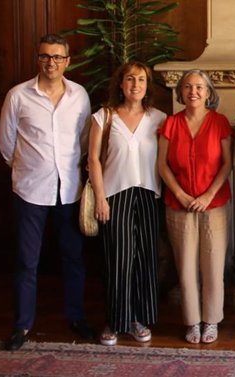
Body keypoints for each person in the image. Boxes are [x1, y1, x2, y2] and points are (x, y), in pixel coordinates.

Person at [0, 34, 94, 351]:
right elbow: (6, 144)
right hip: (30, 190)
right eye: (45, 56)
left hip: (69, 189)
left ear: (67, 61)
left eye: (57, 57)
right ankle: (23, 325)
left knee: (73, 258)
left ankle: (77, 318)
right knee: (27, 261)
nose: (50, 62)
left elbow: (84, 141)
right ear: (37, 59)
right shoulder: (18, 96)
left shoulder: (79, 96)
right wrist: (28, 169)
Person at [88, 62, 166, 346]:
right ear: (120, 84)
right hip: (114, 196)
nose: (135, 84)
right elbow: (93, 159)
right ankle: (114, 321)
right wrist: (100, 197)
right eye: (130, 79)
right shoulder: (104, 117)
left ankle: (138, 319)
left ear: (148, 86)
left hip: (148, 194)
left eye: (141, 80)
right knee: (117, 260)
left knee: (145, 259)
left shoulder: (159, 118)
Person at [158, 70, 233, 344]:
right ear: (180, 92)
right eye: (188, 87)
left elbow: (226, 164)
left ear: (209, 93)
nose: (194, 92)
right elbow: (162, 165)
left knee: (213, 264)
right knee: (186, 266)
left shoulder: (220, 123)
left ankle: (212, 320)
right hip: (178, 205)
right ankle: (192, 322)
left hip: (213, 204)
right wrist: (180, 194)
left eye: (200, 87)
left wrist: (207, 196)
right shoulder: (170, 124)